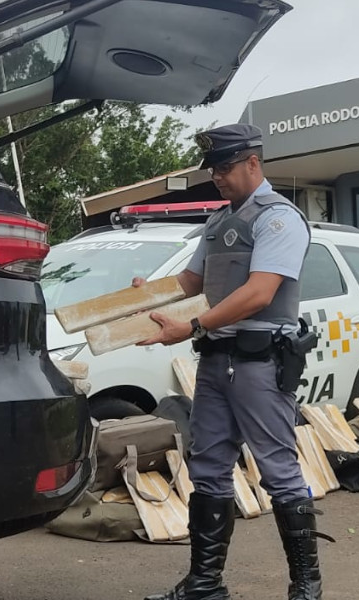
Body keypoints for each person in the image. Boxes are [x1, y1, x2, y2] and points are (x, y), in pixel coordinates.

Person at [135, 124, 332, 600]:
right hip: (217, 363)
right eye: (213, 170)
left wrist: (193, 327)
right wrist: (147, 295)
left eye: (225, 167)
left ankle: (306, 587)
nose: (218, 177)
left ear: (253, 162)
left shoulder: (279, 219)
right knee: (207, 468)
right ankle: (204, 584)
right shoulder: (220, 222)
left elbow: (259, 292)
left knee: (279, 470)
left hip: (259, 362)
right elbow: (190, 281)